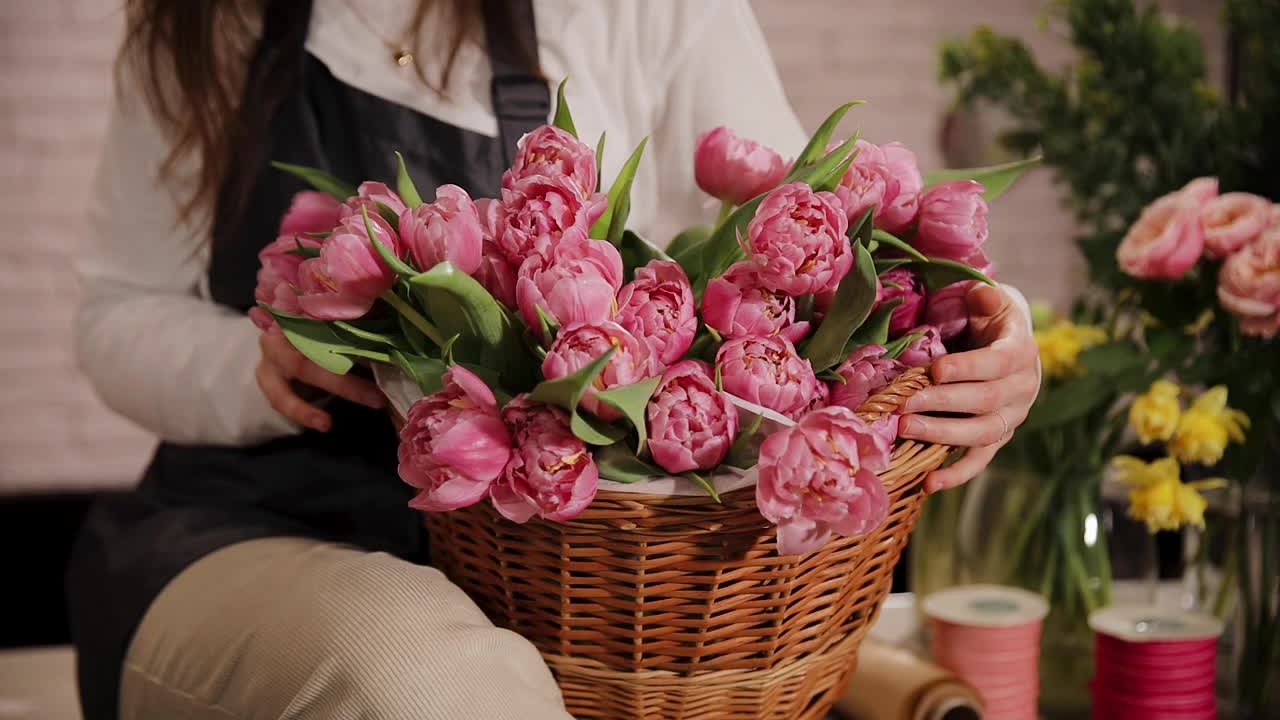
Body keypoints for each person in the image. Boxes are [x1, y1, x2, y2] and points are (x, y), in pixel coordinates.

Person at [67, 1, 1042, 718]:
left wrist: (993, 334)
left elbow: (824, 244)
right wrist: (256, 372)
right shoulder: (206, 29)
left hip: (564, 576)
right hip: (257, 525)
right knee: (429, 690)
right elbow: (116, 314)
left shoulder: (634, 11)